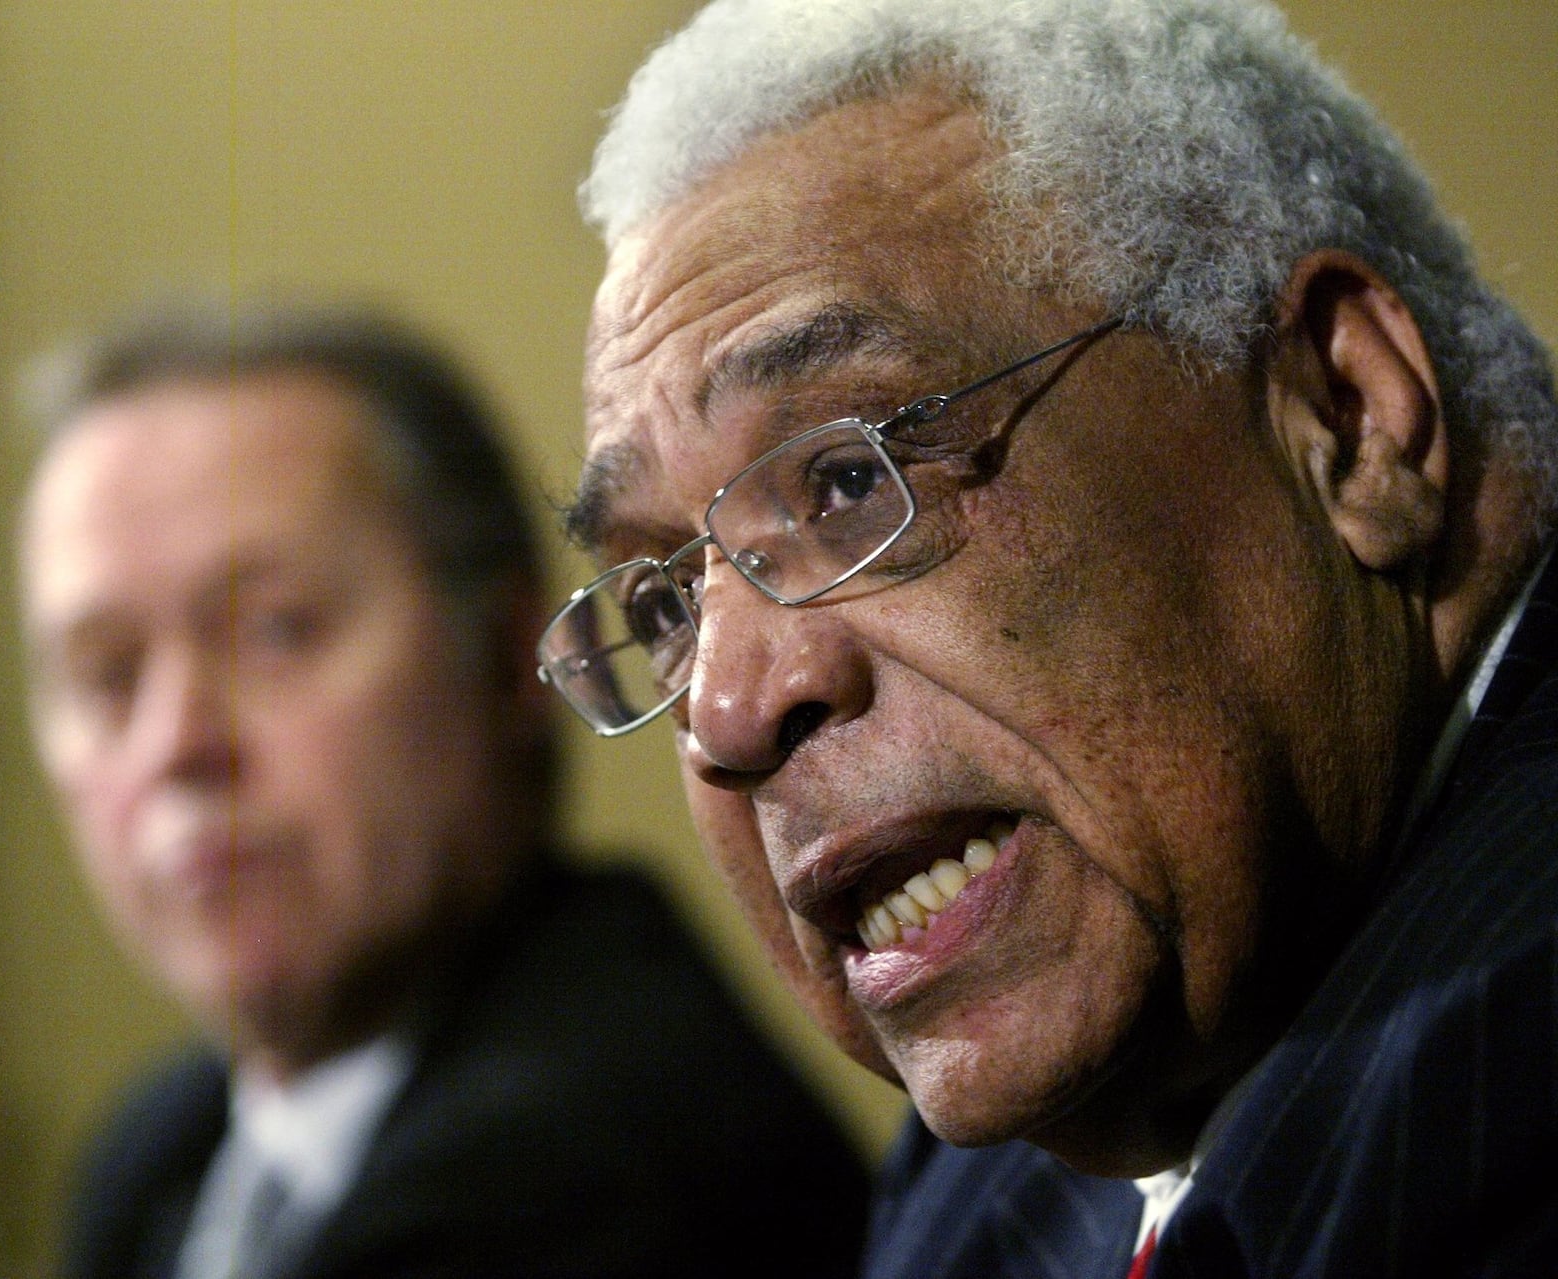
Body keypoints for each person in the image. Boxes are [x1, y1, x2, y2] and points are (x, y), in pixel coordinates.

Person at [535, 0, 1558, 1274]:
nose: (731, 712)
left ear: (1344, 415)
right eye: (665, 604)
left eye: (849, 481)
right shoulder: (1006, 1158)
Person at [17, 300, 871, 1279]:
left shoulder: (575, 1178)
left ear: (511, 659)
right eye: (107, 674)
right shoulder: (159, 1152)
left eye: (276, 630)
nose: (176, 743)